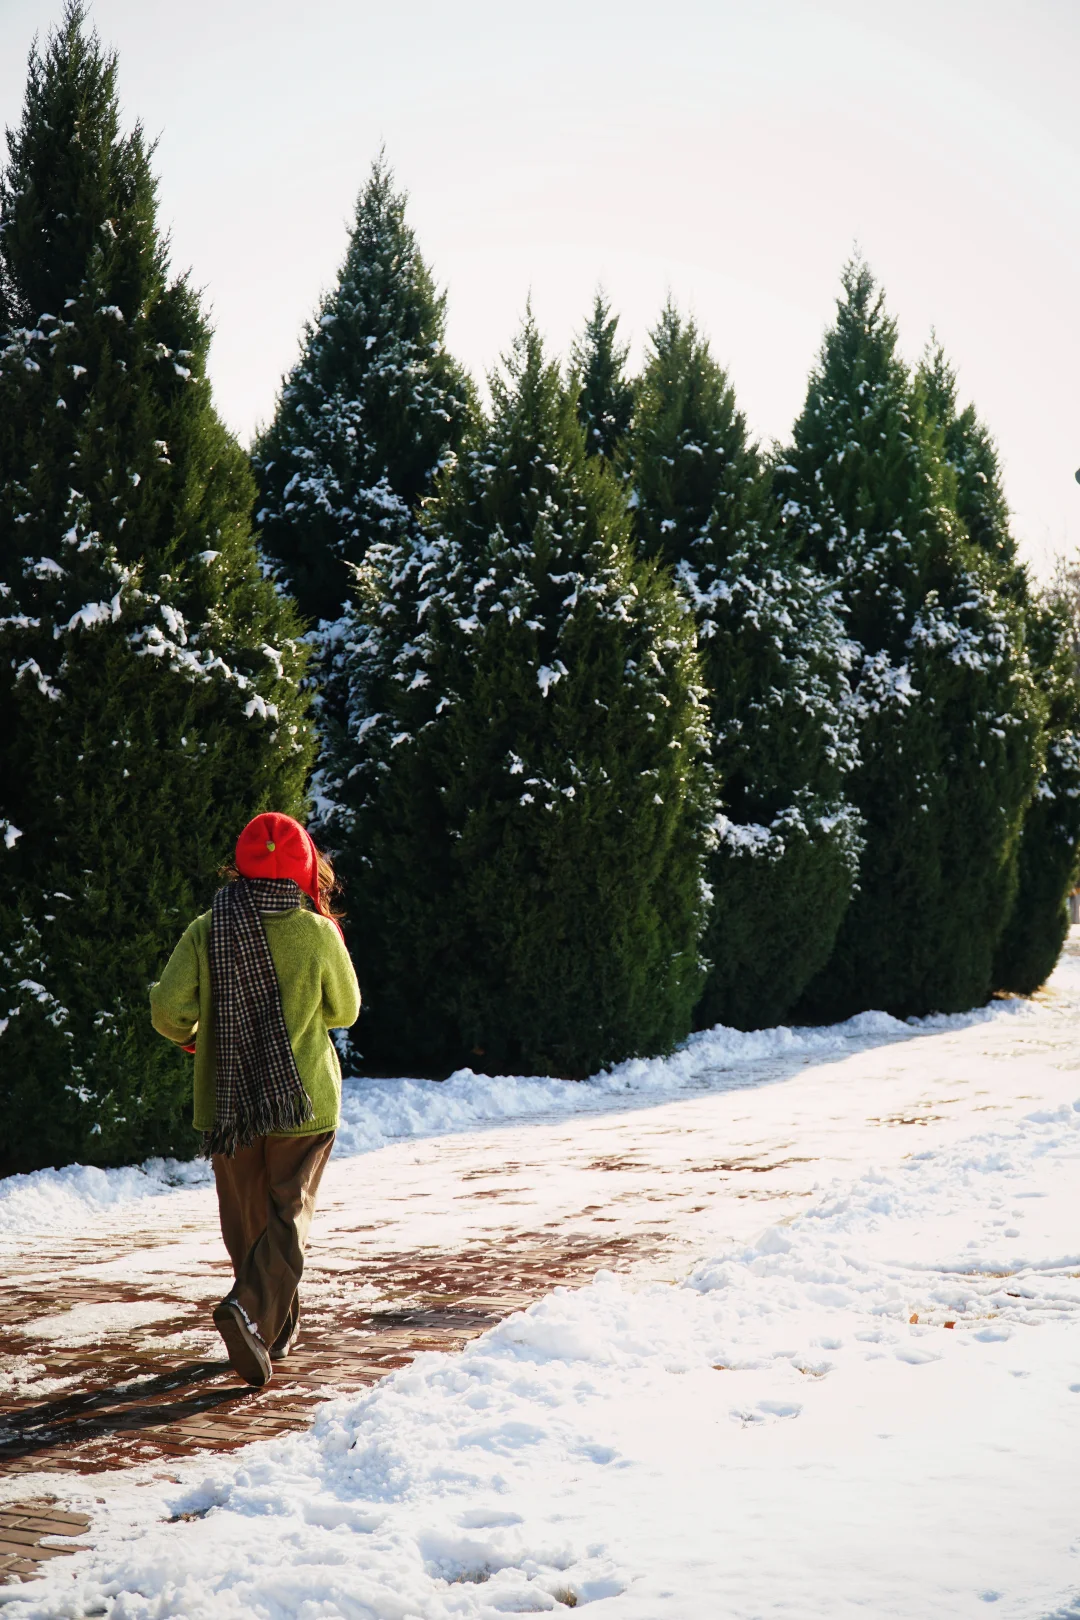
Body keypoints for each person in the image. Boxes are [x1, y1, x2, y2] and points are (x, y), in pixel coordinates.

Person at [150, 812, 360, 1388]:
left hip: (228, 1102)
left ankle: (269, 1325)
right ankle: (247, 1313)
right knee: (288, 1217)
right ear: (305, 869)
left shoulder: (205, 929)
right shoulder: (316, 933)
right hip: (303, 1103)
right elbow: (345, 1012)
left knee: (247, 1223)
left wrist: (201, 1040)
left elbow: (168, 1012)